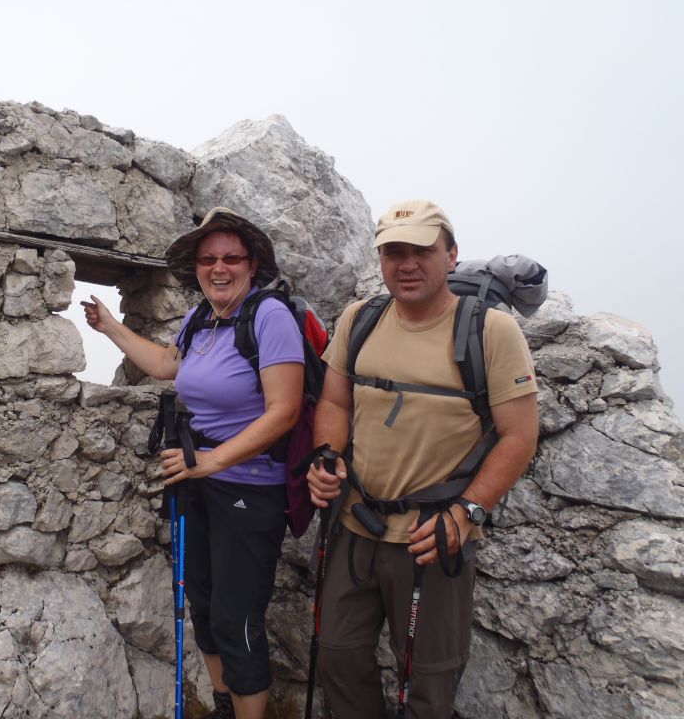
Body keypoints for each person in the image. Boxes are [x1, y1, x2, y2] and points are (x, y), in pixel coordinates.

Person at [306, 200, 539, 719]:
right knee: (337, 657)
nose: (405, 264)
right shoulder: (359, 319)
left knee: (428, 679)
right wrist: (326, 456)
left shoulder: (492, 332)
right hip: (355, 524)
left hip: (434, 537)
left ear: (451, 255)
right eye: (393, 252)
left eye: (421, 250)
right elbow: (335, 402)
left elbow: (520, 435)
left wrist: (468, 511)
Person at [82, 207, 305, 719]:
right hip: (198, 483)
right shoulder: (200, 317)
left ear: (252, 265)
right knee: (202, 607)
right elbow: (165, 364)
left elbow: (285, 411)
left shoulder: (268, 317)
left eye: (231, 258)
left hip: (250, 488)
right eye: (208, 259)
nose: (218, 268)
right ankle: (224, 704)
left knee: (237, 619)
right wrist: (111, 325)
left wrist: (211, 461)